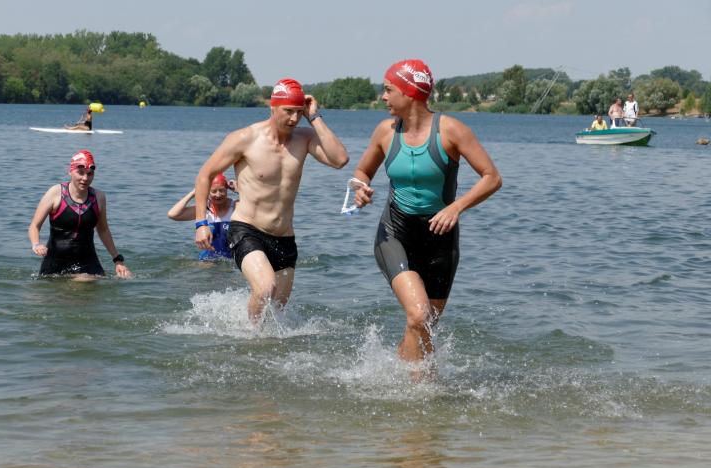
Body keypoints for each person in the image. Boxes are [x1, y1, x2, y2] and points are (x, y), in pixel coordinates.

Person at [351, 59, 502, 367]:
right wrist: (360, 188)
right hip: (395, 232)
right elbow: (362, 171)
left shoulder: (451, 131)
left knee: (424, 324)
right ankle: (413, 384)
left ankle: (412, 381)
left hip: (441, 238)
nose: (383, 96)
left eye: (388, 89)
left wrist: (456, 207)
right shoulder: (385, 132)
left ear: (410, 93)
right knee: (419, 315)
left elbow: (492, 178)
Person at [193, 78, 349, 322]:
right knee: (266, 288)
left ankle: (259, 337)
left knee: (277, 310)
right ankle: (250, 337)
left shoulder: (305, 138)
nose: (294, 119)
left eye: (299, 112)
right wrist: (200, 223)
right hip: (247, 229)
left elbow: (340, 160)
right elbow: (205, 175)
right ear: (272, 106)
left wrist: (314, 117)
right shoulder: (245, 138)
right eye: (288, 111)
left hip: (284, 237)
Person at [29, 150, 131, 279]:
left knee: (87, 280)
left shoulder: (99, 197)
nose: (85, 178)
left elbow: (103, 230)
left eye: (90, 174)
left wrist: (117, 260)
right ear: (70, 171)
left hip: (88, 262)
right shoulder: (55, 193)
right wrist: (36, 244)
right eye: (81, 173)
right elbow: (34, 225)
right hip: (55, 262)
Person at [168, 173, 238, 260]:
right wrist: (194, 192)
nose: (218, 195)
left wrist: (238, 190)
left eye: (222, 190)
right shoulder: (203, 210)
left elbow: (254, 206)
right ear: (207, 191)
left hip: (232, 260)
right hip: (207, 260)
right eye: (213, 191)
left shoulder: (236, 206)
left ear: (227, 189)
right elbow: (173, 214)